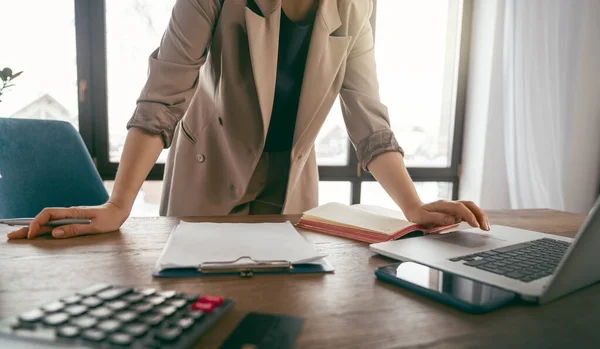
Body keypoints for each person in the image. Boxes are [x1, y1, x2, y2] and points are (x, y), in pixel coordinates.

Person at [8, 0, 489, 240]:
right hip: (209, 171)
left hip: (289, 185)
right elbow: (162, 97)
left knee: (286, 315)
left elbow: (368, 119)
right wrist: (118, 204)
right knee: (199, 315)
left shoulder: (355, 6)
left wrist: (412, 206)